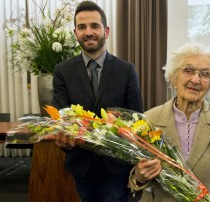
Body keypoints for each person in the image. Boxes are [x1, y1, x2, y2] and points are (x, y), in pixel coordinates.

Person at [129, 43, 210, 201]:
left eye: (205, 74)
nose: (196, 80)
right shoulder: (150, 119)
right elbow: (136, 178)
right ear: (173, 78)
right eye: (188, 71)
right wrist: (140, 176)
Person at [52, 1, 143, 202]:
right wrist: (65, 140)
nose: (89, 32)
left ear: (106, 31)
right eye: (82, 27)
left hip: (116, 166)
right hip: (81, 164)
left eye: (95, 26)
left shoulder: (126, 70)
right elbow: (61, 117)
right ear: (75, 33)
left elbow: (137, 117)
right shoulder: (62, 71)